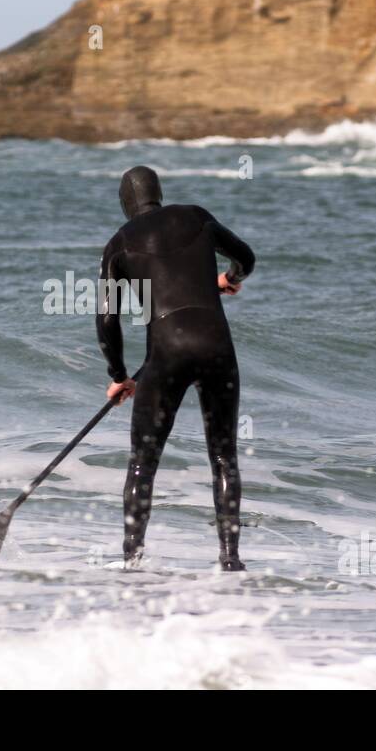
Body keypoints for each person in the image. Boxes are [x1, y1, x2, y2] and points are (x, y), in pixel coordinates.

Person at [97, 166, 255, 571]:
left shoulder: (118, 244)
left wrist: (119, 376)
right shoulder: (196, 216)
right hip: (216, 345)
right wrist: (228, 278)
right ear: (159, 193)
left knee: (142, 462)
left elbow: (106, 319)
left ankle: (132, 561)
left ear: (125, 202)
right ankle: (231, 560)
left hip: (165, 353)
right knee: (223, 458)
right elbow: (247, 258)